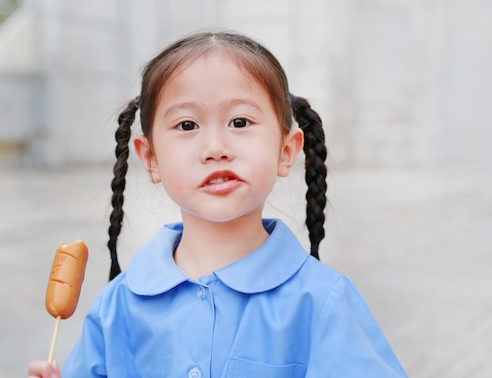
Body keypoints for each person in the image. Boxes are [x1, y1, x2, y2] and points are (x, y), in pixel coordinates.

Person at [28, 31, 407, 377]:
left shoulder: (322, 302)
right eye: (187, 126)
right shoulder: (116, 308)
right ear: (151, 158)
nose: (215, 149)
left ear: (286, 151)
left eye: (240, 122)